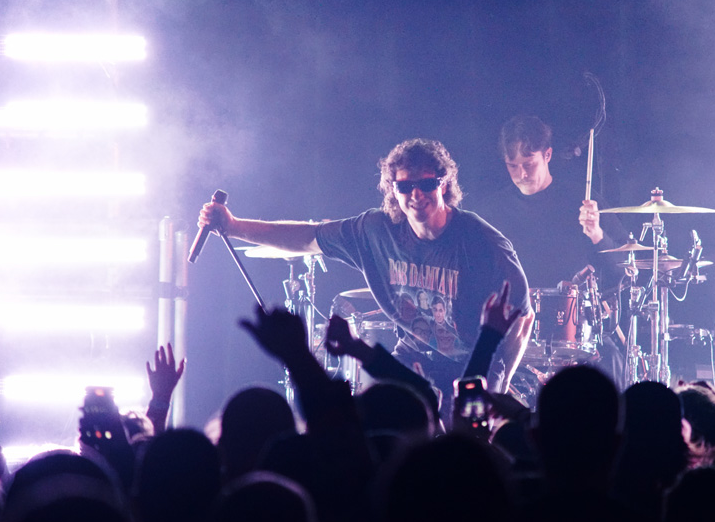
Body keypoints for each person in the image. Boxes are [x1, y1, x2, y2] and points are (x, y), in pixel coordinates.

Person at [198, 138, 533, 398]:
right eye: (404, 186)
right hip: (411, 360)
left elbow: (523, 316)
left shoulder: (481, 242)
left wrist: (497, 386)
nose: (415, 194)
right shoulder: (375, 231)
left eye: (426, 184)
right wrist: (233, 225)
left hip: (470, 367)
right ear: (393, 190)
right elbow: (308, 236)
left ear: (443, 184)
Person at [472, 115, 629, 388]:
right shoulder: (490, 211)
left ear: (548, 155)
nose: (521, 173)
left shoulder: (583, 202)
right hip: (513, 328)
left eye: (529, 164)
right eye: (513, 166)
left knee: (613, 360)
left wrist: (597, 235)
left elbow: (626, 266)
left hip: (578, 329)